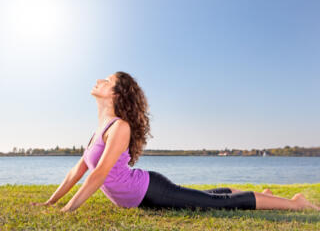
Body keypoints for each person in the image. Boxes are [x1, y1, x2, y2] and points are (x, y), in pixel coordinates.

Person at [31, 71, 320, 212]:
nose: (100, 81)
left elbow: (100, 173)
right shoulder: (98, 129)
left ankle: (296, 203)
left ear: (116, 94)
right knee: (210, 195)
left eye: (107, 80)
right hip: (144, 194)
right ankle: (264, 195)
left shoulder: (120, 127)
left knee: (215, 205)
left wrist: (69, 209)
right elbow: (78, 171)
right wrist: (50, 201)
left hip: (151, 191)